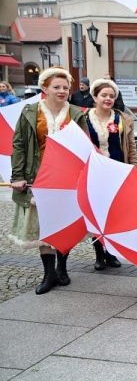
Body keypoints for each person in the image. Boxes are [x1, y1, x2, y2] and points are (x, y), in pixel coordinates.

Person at [10, 67, 88, 294]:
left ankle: (62, 267)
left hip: (66, 178)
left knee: (63, 224)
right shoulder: (30, 112)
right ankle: (49, 273)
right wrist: (18, 176)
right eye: (57, 87)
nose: (62, 91)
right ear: (45, 88)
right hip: (38, 177)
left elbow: (84, 147)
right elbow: (19, 145)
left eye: (65, 87)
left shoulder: (76, 114)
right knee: (45, 227)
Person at [85, 77, 137, 270]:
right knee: (96, 214)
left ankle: (111, 252)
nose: (108, 99)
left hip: (117, 171)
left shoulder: (122, 119)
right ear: (95, 96)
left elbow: (131, 147)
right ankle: (99, 254)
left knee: (114, 215)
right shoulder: (83, 118)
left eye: (111, 96)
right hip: (93, 173)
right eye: (103, 95)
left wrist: (135, 169)